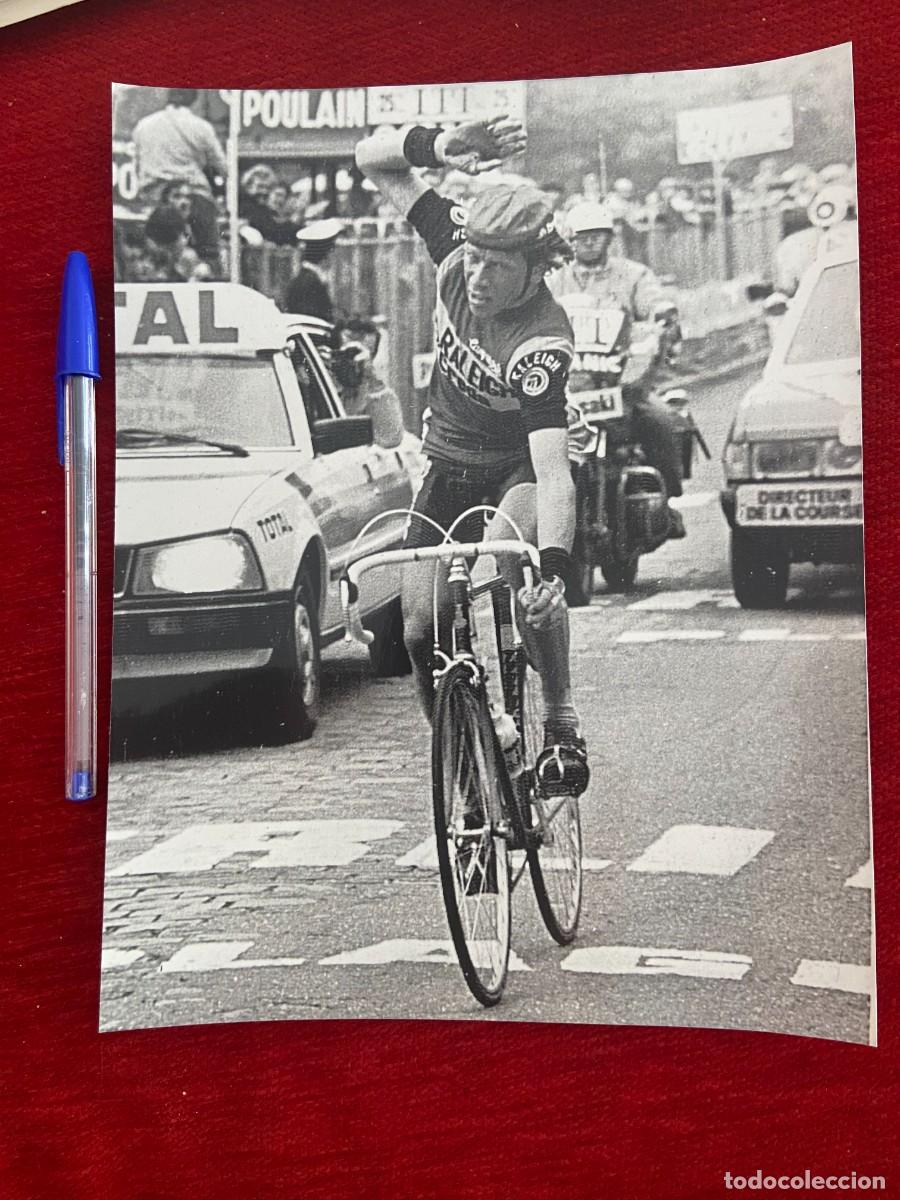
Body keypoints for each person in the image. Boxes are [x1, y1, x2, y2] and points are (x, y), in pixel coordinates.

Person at [355, 115, 590, 796]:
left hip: (516, 469)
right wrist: (439, 146)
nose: (479, 277)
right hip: (447, 465)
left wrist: (555, 567)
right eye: (476, 259)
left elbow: (552, 475)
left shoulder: (540, 340)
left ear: (534, 268)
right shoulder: (459, 247)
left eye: (499, 266)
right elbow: (373, 162)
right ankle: (468, 781)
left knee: (501, 575)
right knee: (419, 627)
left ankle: (561, 721)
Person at [548, 200, 686, 537]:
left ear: (609, 238)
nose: (590, 243)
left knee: (661, 421)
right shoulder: (556, 279)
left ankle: (667, 504)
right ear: (570, 241)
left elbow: (653, 301)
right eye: (582, 237)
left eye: (597, 236)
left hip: (618, 382)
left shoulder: (632, 275)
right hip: (570, 386)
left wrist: (661, 313)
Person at [132, 89, 227, 275]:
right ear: (194, 100)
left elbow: (137, 166)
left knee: (150, 256)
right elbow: (223, 167)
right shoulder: (201, 127)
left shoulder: (143, 126)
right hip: (194, 195)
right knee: (209, 253)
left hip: (154, 199)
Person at [330, 318, 405, 449]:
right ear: (333, 352)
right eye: (347, 353)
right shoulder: (318, 381)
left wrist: (372, 379)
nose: (353, 360)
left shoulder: (374, 392)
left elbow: (391, 438)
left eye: (360, 353)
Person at [282, 218, 344, 322]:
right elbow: (313, 319)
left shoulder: (311, 278)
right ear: (326, 252)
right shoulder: (308, 282)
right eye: (333, 248)